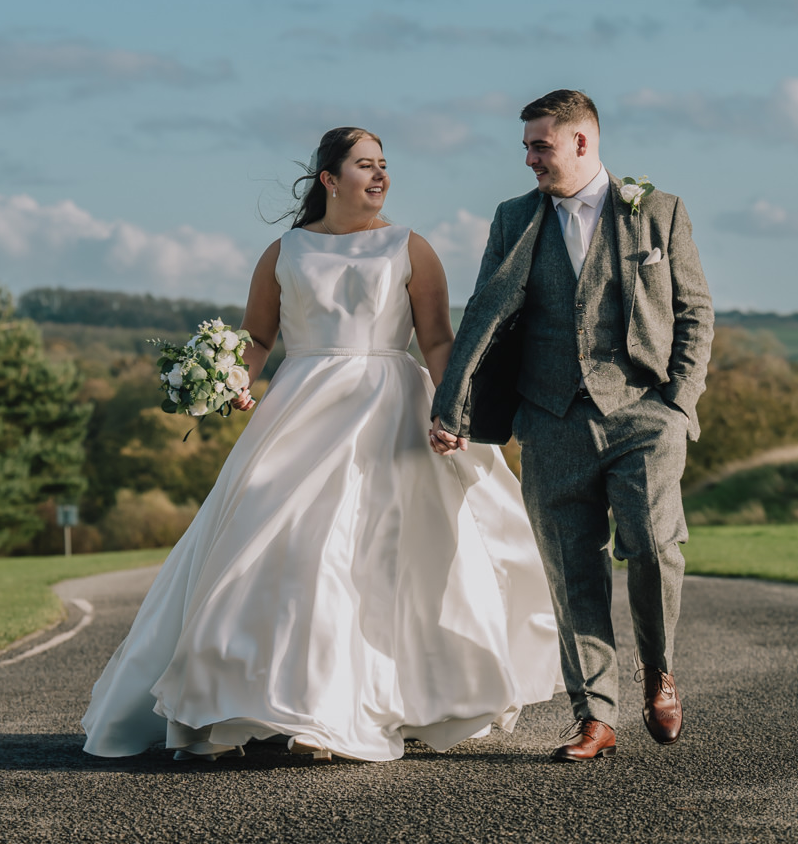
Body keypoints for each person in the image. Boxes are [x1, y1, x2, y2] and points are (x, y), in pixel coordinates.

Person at [81, 127, 562, 763]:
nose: (381, 175)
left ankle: (338, 712)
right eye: (366, 164)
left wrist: (455, 409)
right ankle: (241, 703)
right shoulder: (284, 251)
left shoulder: (411, 247)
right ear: (329, 179)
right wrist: (232, 379)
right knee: (277, 545)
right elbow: (257, 337)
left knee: (363, 552)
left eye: (384, 164)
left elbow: (438, 340)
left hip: (390, 410)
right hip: (300, 409)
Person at [430, 89, 713, 762]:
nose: (529, 159)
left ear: (582, 142)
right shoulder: (513, 218)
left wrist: (679, 402)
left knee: (653, 546)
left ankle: (659, 670)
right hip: (549, 417)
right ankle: (596, 717)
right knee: (569, 569)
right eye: (527, 147)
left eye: (541, 146)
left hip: (644, 412)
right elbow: (484, 313)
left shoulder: (659, 211)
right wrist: (453, 405)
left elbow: (695, 311)